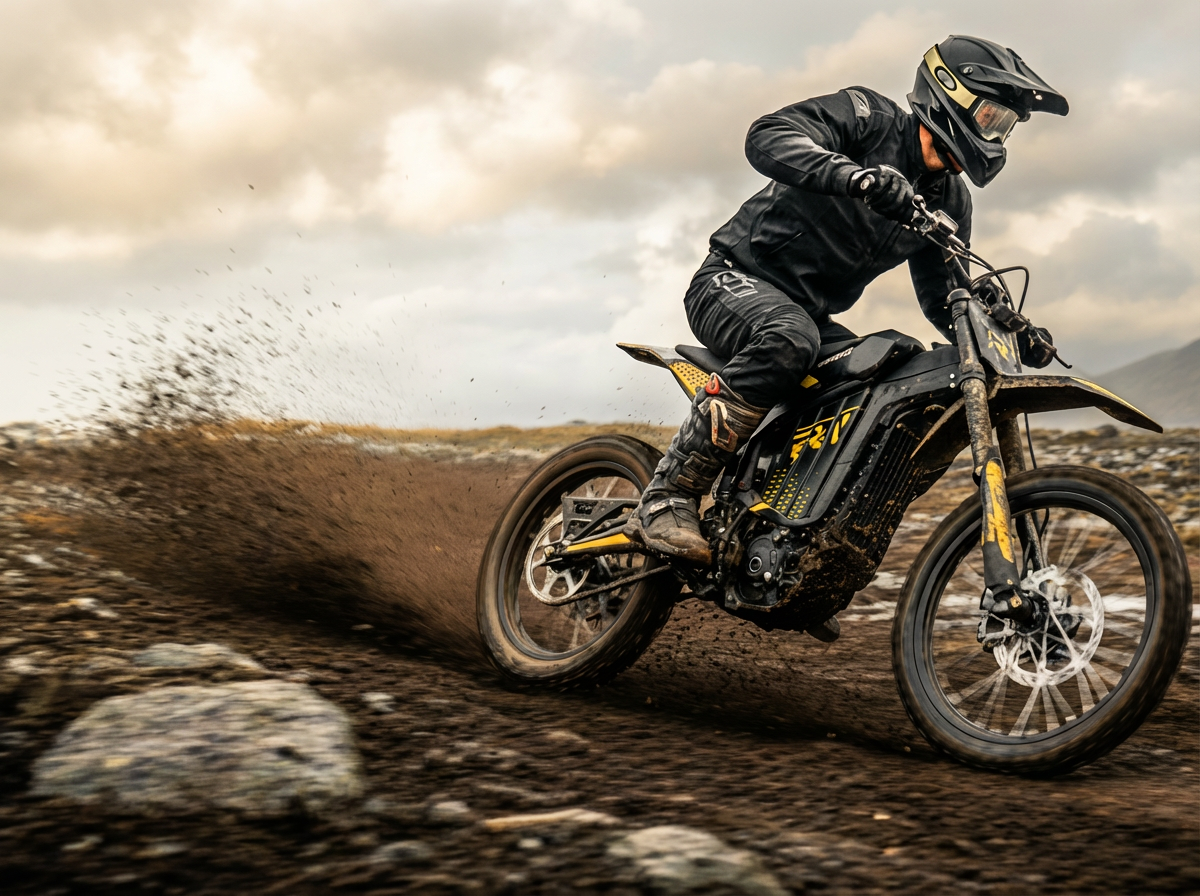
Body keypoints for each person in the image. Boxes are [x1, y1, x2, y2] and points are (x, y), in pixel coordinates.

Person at [625, 35, 1068, 563]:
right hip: (732, 280)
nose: (996, 134)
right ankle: (667, 495)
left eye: (1005, 127)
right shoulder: (869, 118)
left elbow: (943, 298)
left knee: (895, 369)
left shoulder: (949, 199)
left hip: (809, 318)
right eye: (993, 117)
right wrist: (856, 178)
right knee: (789, 337)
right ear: (953, 91)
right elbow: (767, 135)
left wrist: (1010, 333)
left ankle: (794, 536)